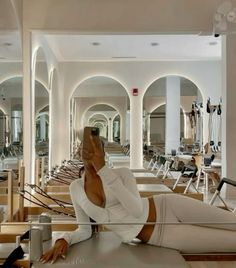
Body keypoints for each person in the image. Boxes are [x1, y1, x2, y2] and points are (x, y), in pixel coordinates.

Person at [40, 131, 236, 264]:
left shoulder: (122, 174)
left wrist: (103, 170)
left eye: (95, 147)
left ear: (103, 151)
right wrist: (64, 239)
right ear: (79, 151)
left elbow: (135, 210)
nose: (89, 151)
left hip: (168, 205)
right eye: (85, 147)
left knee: (232, 221)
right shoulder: (76, 188)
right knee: (232, 241)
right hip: (161, 236)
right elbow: (85, 230)